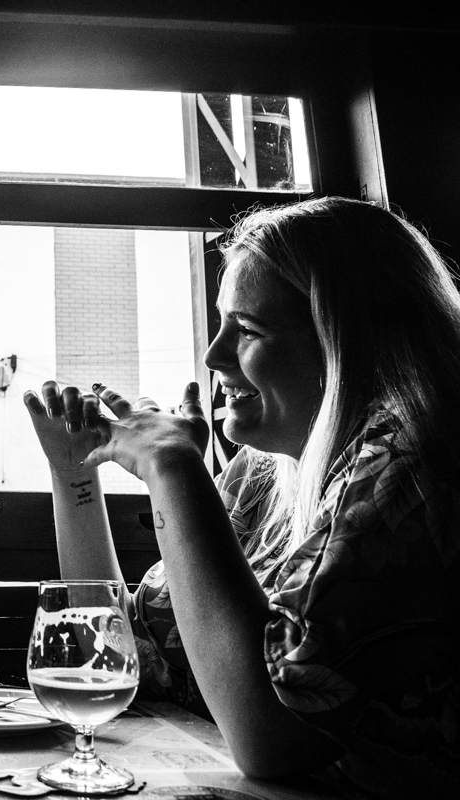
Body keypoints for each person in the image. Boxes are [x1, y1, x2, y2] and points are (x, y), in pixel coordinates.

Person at [24, 196, 458, 798]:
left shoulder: (409, 468)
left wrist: (173, 467)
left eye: (247, 329)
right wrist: (76, 472)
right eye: (221, 323)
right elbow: (115, 649)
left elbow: (270, 737)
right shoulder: (262, 474)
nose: (213, 355)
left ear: (347, 341)